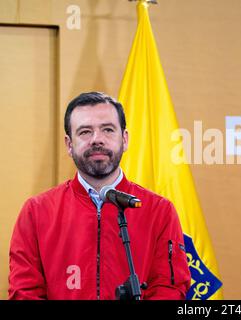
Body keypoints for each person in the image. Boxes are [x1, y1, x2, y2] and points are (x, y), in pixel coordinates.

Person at [8, 92, 191, 300]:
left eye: (108, 130)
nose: (97, 139)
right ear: (69, 144)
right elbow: (24, 293)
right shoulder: (36, 211)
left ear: (125, 139)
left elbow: (169, 288)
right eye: (85, 132)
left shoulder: (159, 211)